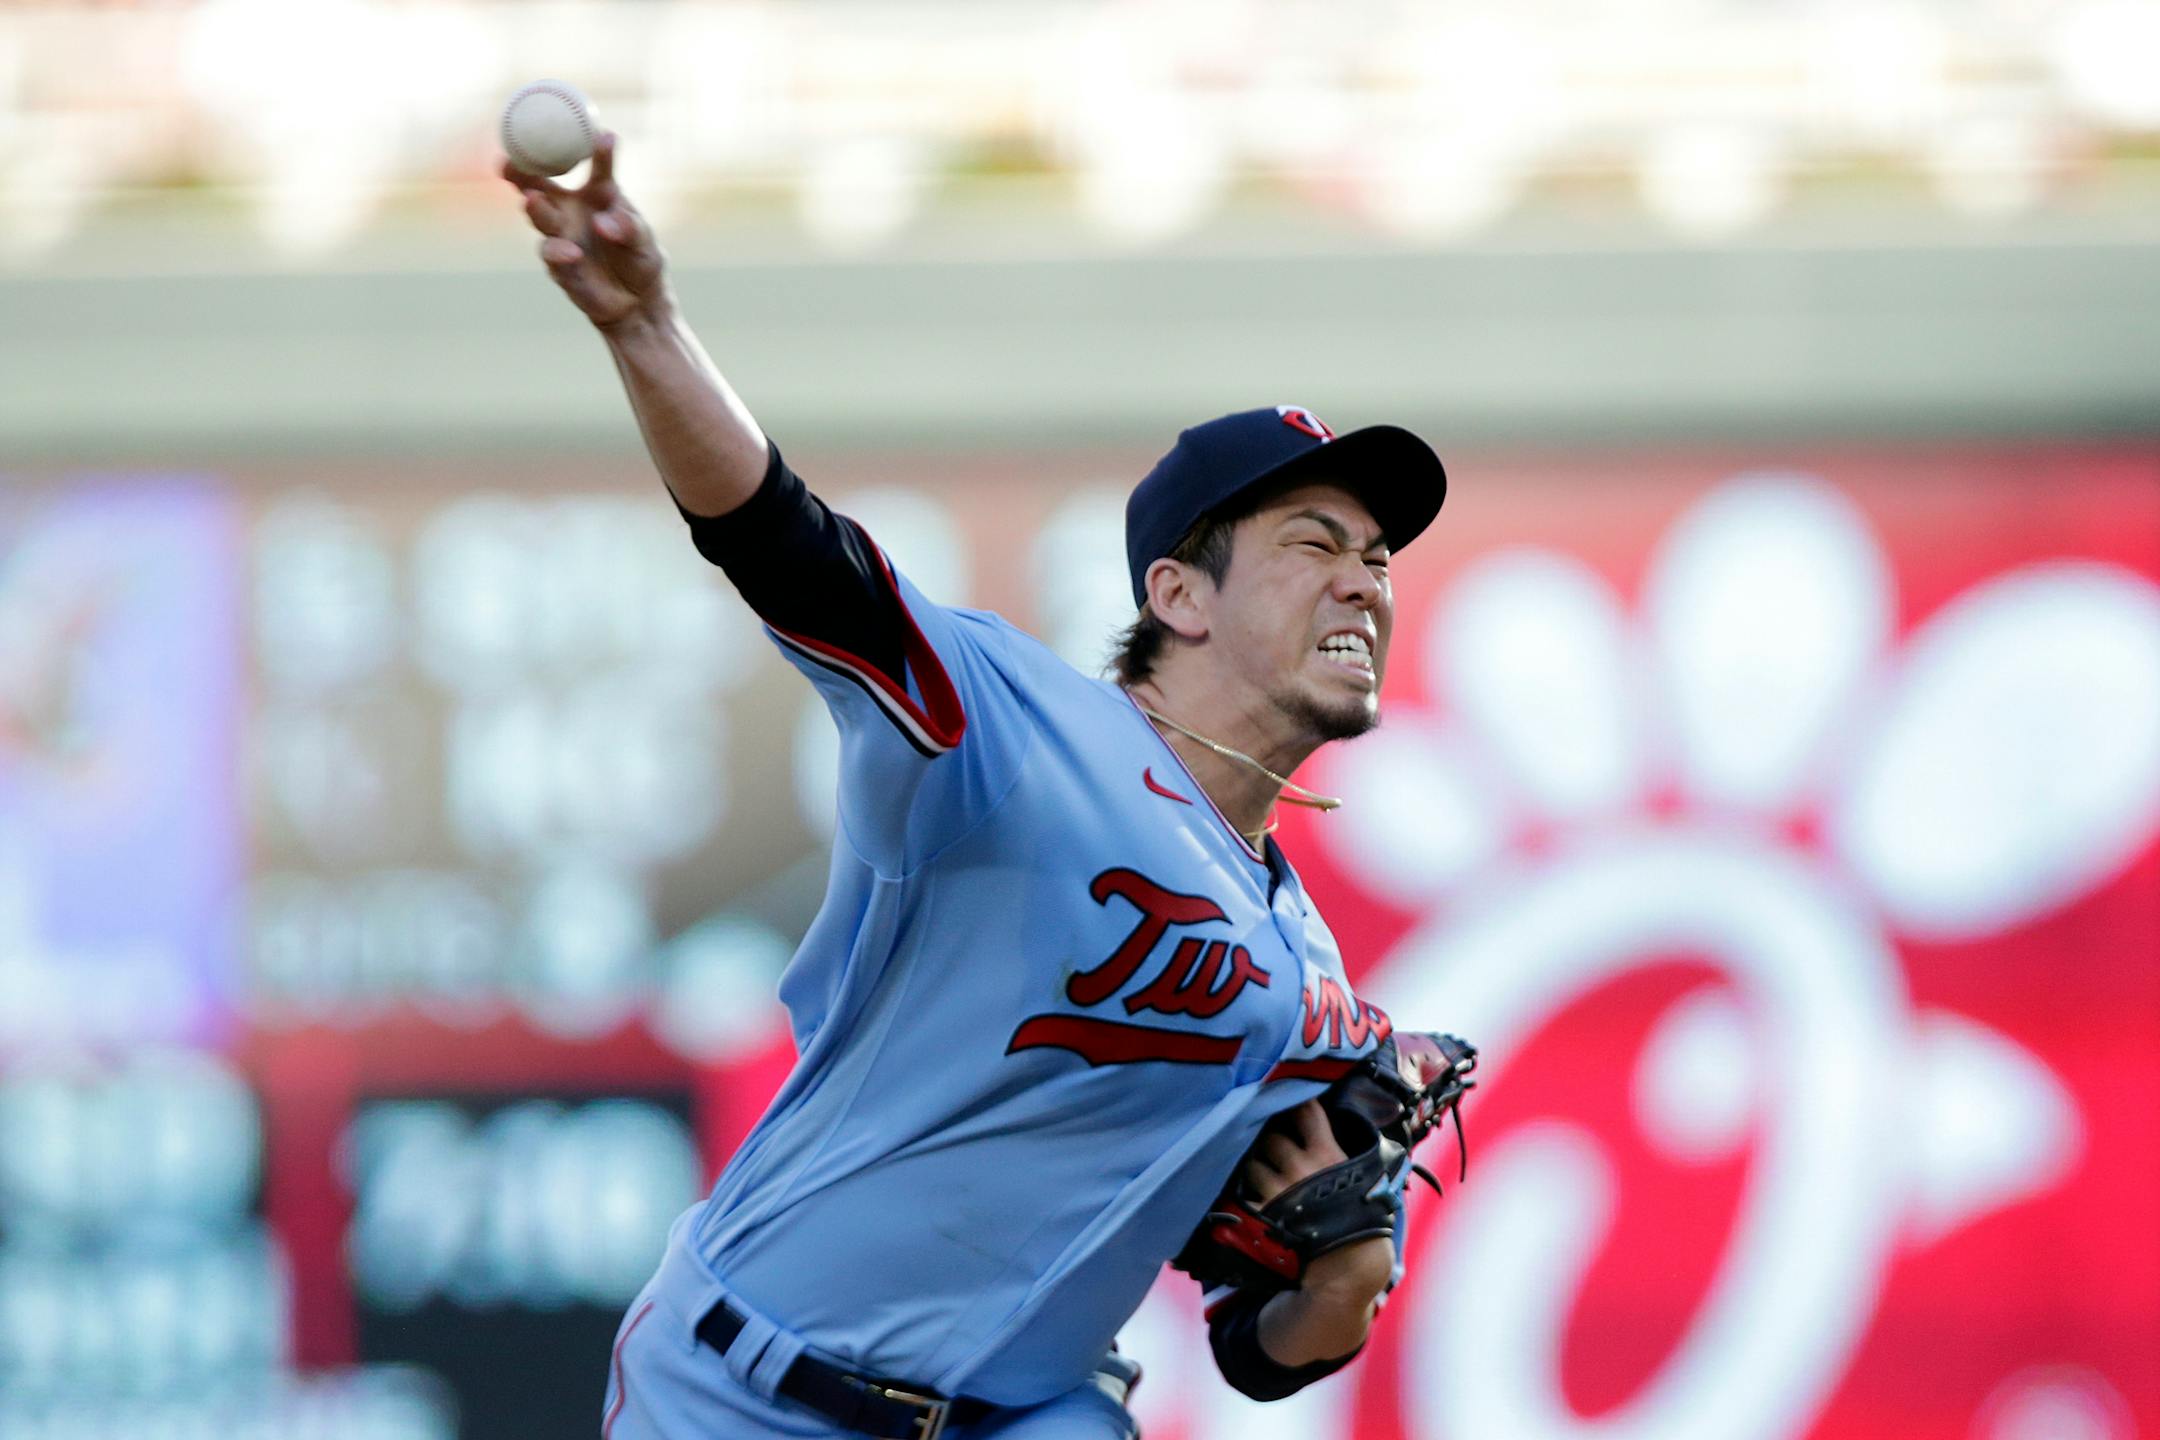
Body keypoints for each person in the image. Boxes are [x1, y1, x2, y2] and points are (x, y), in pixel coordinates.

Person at [504, 134, 1450, 1440]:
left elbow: (1254, 1343)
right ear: (1176, 592)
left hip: (1030, 1415)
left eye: (1379, 558)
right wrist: (647, 325)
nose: (1366, 580)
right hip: (744, 1388)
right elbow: (789, 546)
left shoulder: (1303, 963)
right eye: (1313, 544)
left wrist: (1340, 1285)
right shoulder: (1016, 734)